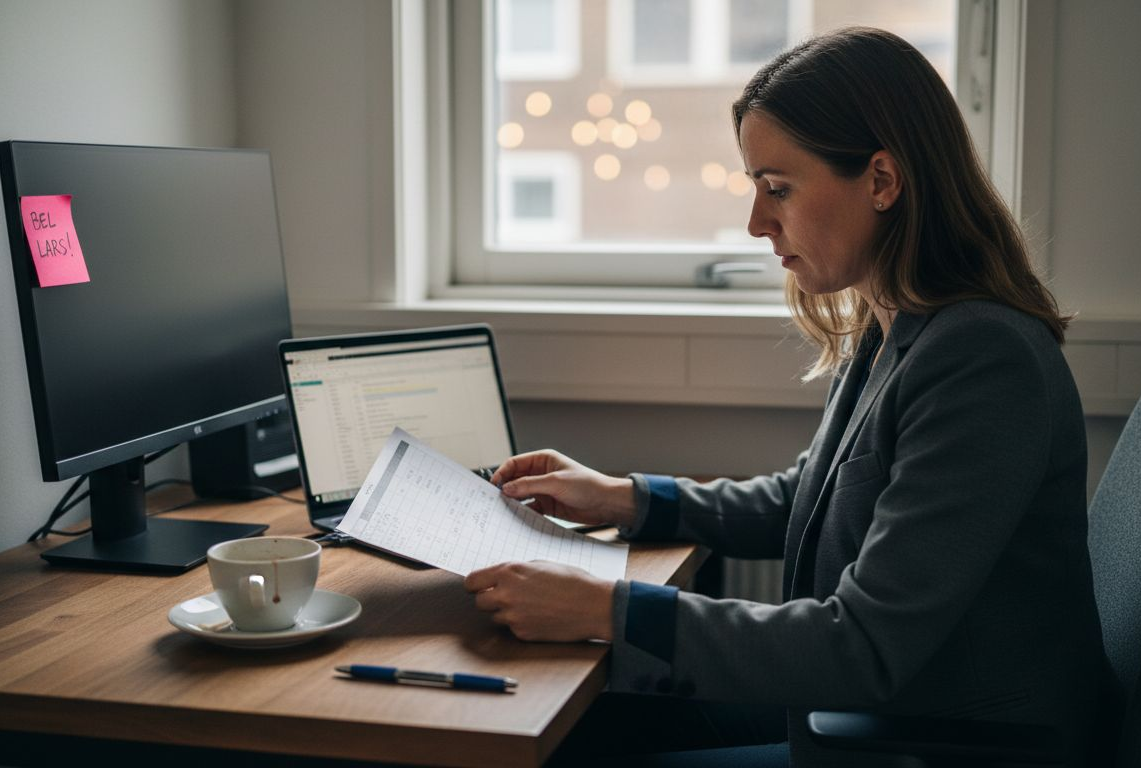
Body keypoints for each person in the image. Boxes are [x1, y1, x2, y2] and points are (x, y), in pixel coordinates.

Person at [464, 27, 1104, 767]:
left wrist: (604, 608)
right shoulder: (901, 320)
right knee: (592, 722)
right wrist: (623, 498)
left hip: (931, 739)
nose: (756, 222)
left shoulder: (981, 360)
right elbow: (805, 497)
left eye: (779, 189)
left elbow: (863, 646)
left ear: (882, 180)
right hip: (878, 708)